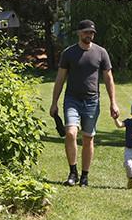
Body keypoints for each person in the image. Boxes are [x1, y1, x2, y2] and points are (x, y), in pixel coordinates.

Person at [50, 19, 120, 187]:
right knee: (71, 133)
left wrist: (113, 102)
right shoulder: (69, 53)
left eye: (92, 32)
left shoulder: (101, 53)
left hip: (92, 101)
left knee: (88, 138)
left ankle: (84, 176)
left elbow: (108, 78)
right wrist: (54, 102)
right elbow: (60, 79)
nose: (89, 35)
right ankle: (73, 172)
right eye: (86, 32)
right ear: (79, 33)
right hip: (72, 100)